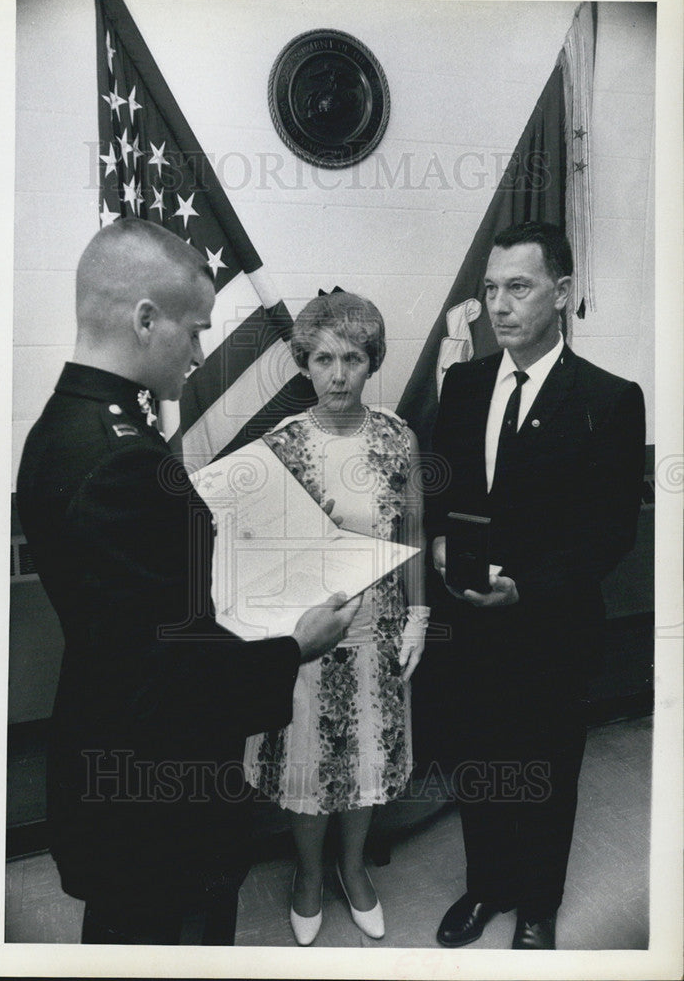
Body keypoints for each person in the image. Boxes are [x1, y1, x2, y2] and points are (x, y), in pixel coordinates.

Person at [15, 218, 360, 946]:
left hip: (111, 746)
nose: (201, 353)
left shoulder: (65, 427)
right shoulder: (121, 463)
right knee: (171, 936)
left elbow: (141, 592)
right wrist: (294, 647)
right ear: (145, 319)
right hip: (156, 785)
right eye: (195, 330)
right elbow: (165, 669)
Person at [423, 222, 645, 950]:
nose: (498, 305)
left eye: (516, 287)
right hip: (469, 625)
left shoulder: (608, 400)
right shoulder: (462, 385)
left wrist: (527, 587)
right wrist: (440, 540)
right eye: (489, 289)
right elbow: (442, 492)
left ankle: (538, 906)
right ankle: (486, 886)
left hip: (550, 628)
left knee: (545, 770)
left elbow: (609, 532)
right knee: (478, 762)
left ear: (561, 293)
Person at [243, 291, 428, 945]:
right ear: (305, 363)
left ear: (371, 361)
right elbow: (254, 553)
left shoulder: (394, 435)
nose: (338, 373)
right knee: (311, 763)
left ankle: (353, 869)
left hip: (378, 632)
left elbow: (410, 526)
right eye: (323, 358)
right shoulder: (281, 445)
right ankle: (310, 874)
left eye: (352, 357)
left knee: (366, 759)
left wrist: (419, 614)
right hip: (310, 635)